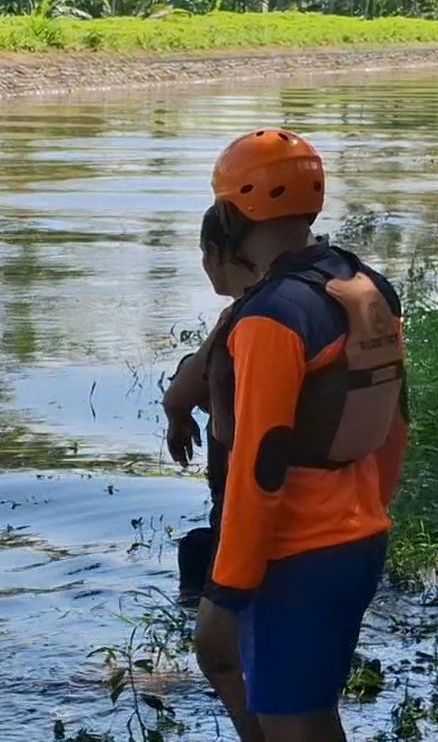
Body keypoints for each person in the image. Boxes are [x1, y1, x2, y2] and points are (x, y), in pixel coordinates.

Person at [190, 128, 409, 742]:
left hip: (294, 555)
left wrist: (226, 590)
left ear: (230, 213)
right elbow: (395, 427)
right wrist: (368, 511)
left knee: (292, 723)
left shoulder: (272, 317)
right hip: (359, 540)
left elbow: (259, 465)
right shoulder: (364, 286)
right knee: (310, 715)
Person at [165, 204, 258, 605]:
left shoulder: (244, 318)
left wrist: (178, 415)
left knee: (196, 551)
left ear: (216, 254)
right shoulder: (303, 298)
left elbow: (179, 394)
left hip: (249, 513)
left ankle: (201, 613)